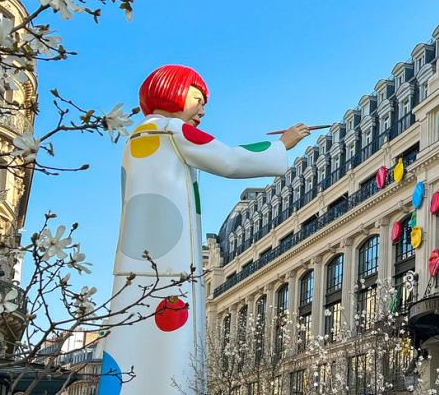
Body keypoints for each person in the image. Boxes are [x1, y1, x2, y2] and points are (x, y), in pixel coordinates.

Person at [99, 65, 309, 395]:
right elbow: (229, 160)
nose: (202, 110)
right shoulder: (172, 131)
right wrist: (283, 145)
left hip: (135, 263)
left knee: (132, 338)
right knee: (175, 346)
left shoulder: (136, 137)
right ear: (171, 92)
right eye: (197, 98)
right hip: (172, 264)